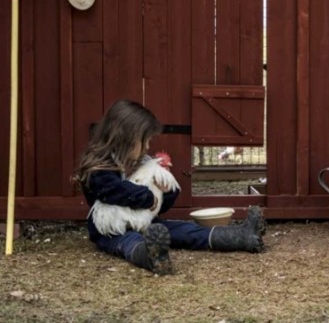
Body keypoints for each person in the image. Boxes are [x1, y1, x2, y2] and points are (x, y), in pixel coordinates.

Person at [74, 99, 266, 275]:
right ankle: (151, 256)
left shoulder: (140, 161)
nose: (148, 146)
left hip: (146, 223)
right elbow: (113, 190)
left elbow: (160, 205)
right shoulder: (98, 168)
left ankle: (240, 236)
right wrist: (149, 197)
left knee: (184, 230)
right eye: (146, 140)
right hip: (112, 231)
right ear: (128, 138)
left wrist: (166, 193)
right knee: (130, 241)